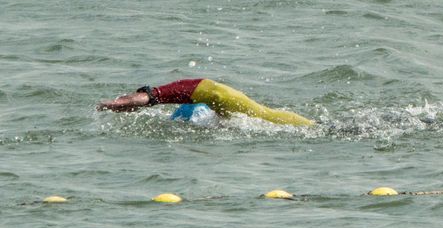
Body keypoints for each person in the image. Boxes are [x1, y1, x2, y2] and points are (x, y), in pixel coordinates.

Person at [97, 78, 313, 126]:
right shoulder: (216, 107)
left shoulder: (222, 99)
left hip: (299, 125)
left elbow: (142, 98)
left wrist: (151, 96)